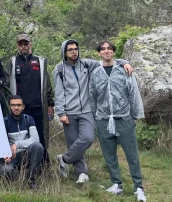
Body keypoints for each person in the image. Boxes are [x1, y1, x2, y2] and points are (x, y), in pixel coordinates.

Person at [53, 39, 132, 185]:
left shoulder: (86, 64)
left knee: (87, 138)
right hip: (69, 112)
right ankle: (82, 173)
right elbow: (58, 93)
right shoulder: (59, 69)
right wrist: (61, 113)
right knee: (74, 143)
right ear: (64, 52)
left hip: (87, 110)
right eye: (70, 49)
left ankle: (63, 159)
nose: (74, 52)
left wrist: (124, 62)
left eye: (76, 49)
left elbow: (107, 60)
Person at [90, 40, 146, 202]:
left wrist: (134, 115)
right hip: (103, 119)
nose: (106, 51)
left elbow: (133, 93)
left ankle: (138, 187)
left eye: (109, 49)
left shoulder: (123, 70)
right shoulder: (95, 73)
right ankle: (116, 184)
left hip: (124, 118)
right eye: (103, 49)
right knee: (109, 154)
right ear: (99, 53)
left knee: (132, 155)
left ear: (113, 52)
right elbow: (92, 96)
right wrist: (96, 118)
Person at [7, 34, 54, 153]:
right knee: (22, 137)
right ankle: (23, 163)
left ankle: (44, 163)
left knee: (40, 136)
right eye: (21, 44)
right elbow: (6, 81)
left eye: (26, 44)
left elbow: (47, 85)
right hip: (21, 108)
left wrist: (50, 104)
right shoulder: (13, 62)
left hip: (38, 107)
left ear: (30, 44)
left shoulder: (39, 61)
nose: (23, 46)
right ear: (17, 46)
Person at [0, 95, 46, 190]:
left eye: (18, 105)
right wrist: (6, 154)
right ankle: (19, 176)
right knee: (5, 171)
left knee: (38, 146)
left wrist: (17, 144)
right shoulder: (5, 121)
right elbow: (1, 142)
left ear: (23, 106)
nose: (16, 108)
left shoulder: (29, 119)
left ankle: (31, 179)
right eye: (13, 105)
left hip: (27, 153)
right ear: (10, 106)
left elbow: (35, 139)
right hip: (12, 155)